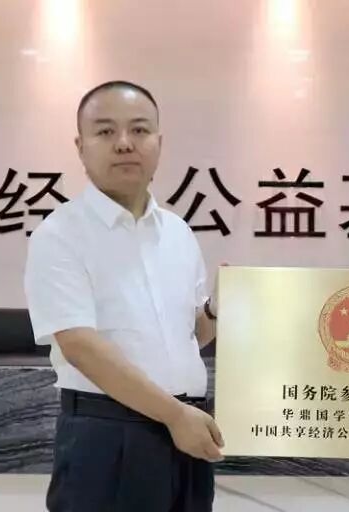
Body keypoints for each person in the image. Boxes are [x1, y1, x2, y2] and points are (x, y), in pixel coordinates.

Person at [24, 80, 223, 511]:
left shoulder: (178, 233)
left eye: (139, 129)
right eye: (105, 131)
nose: (124, 143)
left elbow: (189, 337)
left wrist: (216, 309)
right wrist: (174, 415)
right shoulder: (59, 234)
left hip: (188, 432)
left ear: (159, 143)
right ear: (81, 146)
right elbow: (81, 347)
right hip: (108, 436)